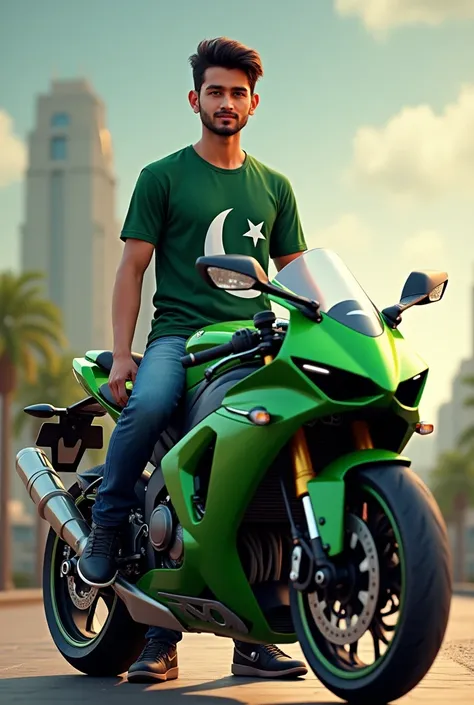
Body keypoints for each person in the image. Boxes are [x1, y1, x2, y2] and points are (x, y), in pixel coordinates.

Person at [77, 36, 308, 684]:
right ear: (194, 98)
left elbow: (303, 279)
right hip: (181, 339)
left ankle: (255, 636)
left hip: (256, 342)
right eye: (215, 91)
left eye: (238, 92)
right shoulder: (163, 176)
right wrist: (124, 354)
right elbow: (132, 269)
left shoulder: (276, 188)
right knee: (150, 404)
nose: (226, 102)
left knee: (277, 459)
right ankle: (107, 528)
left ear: (254, 102)